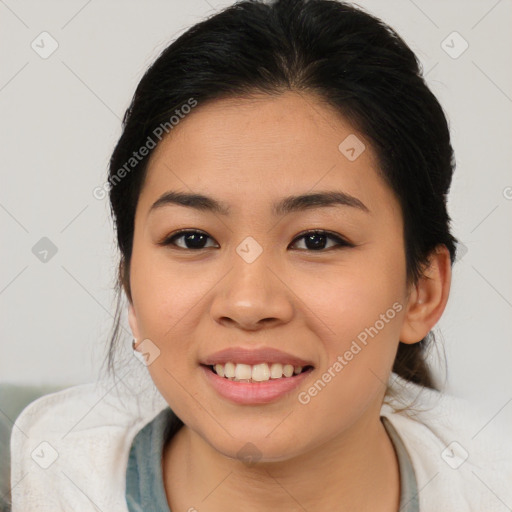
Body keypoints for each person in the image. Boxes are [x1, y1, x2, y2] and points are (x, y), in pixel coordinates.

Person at [9, 0, 511, 510]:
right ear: (130, 288)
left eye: (317, 240)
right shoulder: (37, 483)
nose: (248, 304)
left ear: (422, 291)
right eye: (193, 239)